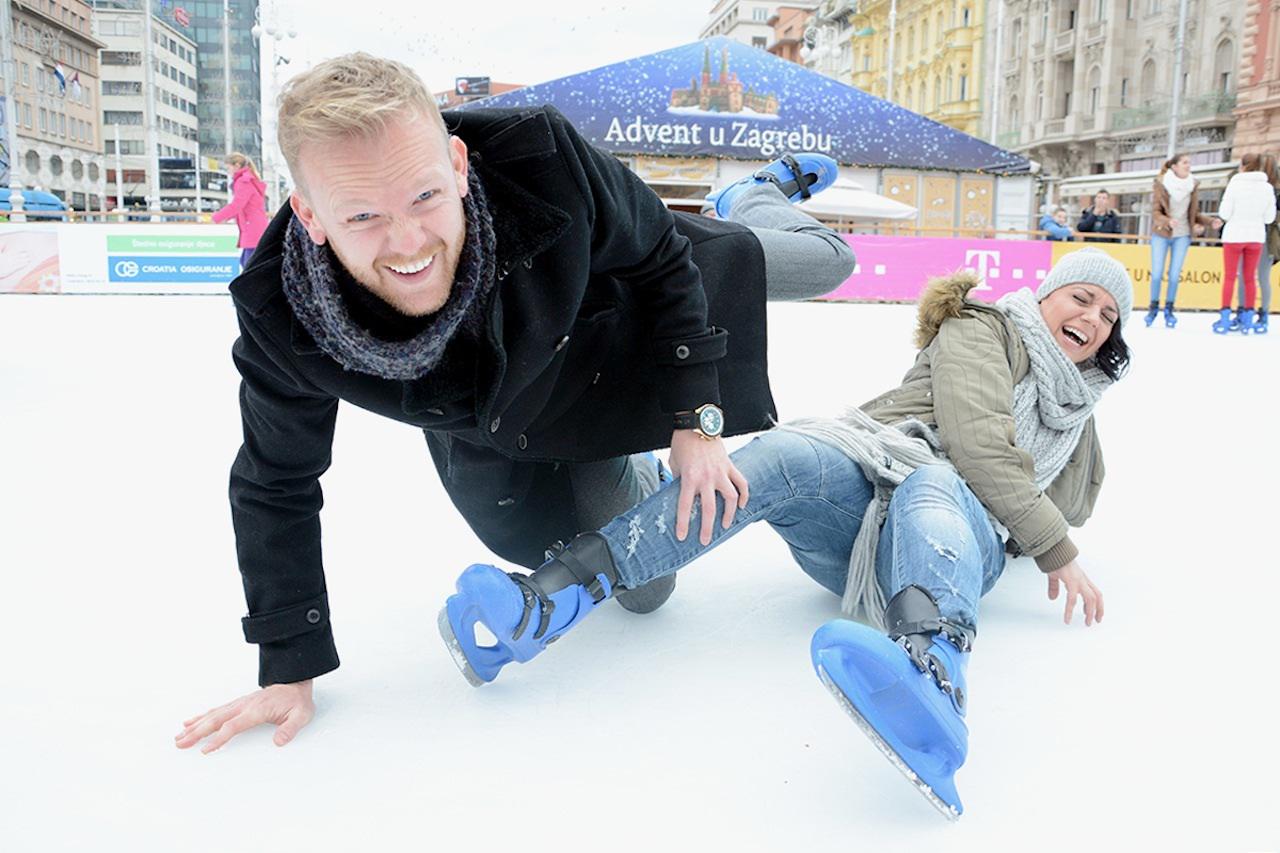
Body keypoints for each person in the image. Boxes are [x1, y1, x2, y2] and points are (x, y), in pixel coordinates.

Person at [174, 53, 855, 754]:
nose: (407, 242)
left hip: (617, 311)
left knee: (833, 262)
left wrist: (696, 420)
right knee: (642, 589)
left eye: (425, 197)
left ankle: (753, 196)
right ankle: (628, 462)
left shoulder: (540, 157)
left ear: (458, 164)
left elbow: (660, 256)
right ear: (312, 216)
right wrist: (289, 662)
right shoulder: (283, 313)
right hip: (494, 421)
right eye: (364, 215)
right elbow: (275, 479)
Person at [441, 248, 1131, 820]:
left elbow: (1073, 501)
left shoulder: (1078, 409)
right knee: (785, 453)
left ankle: (933, 676)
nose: (1092, 319)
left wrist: (1069, 426)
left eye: (1108, 317)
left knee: (938, 481)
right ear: (1045, 296)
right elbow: (979, 442)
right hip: (869, 487)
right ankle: (552, 598)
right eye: (1081, 298)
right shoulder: (982, 329)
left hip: (949, 538)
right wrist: (1056, 549)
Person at [1212, 153, 1277, 334]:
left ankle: (1225, 316)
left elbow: (1224, 213)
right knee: (1250, 278)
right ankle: (1248, 317)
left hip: (1234, 235)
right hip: (1255, 236)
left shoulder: (1235, 184)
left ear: (1242, 165)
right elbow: (1269, 217)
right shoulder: (1267, 188)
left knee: (1230, 277)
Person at [1147, 153, 1213, 328]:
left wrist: (1208, 221)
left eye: (1189, 162)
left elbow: (1194, 213)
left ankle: (1169, 309)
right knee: (1157, 273)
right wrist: (1167, 221)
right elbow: (1155, 212)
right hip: (1162, 234)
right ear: (1174, 167)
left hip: (1182, 235)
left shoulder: (1193, 185)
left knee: (1175, 275)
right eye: (1184, 162)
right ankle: (1153, 307)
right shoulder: (1162, 183)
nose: (1188, 165)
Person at [1234, 153, 1278, 335]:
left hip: (1265, 237)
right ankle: (1246, 311)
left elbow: (1272, 217)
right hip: (1253, 234)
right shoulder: (1256, 186)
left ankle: (1260, 313)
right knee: (1249, 276)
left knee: (1259, 276)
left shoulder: (1271, 189)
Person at [211, 152, 269, 270]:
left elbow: (237, 205)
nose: (228, 172)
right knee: (246, 262)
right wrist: (226, 217)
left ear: (237, 166)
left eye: (228, 168)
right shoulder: (247, 179)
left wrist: (217, 217)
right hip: (253, 226)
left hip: (253, 227)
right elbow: (242, 206)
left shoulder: (244, 182)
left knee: (249, 265)